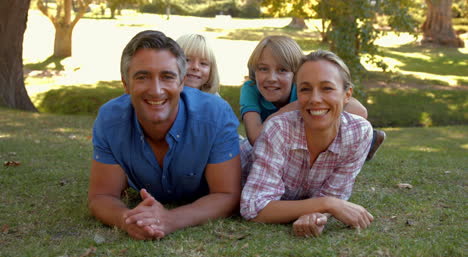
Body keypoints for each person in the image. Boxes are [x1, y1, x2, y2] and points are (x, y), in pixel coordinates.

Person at [87, 30, 241, 240]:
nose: (156, 90)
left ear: (181, 82)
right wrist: (128, 219)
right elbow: (101, 196)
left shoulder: (215, 115)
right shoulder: (109, 120)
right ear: (125, 84)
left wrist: (171, 219)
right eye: (143, 77)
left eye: (167, 77)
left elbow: (227, 195)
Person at [240, 50, 374, 238]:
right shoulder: (278, 129)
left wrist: (315, 216)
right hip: (235, 165)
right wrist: (328, 205)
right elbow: (253, 208)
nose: (315, 99)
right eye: (305, 89)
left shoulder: (359, 133)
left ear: (347, 95)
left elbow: (332, 195)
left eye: (327, 88)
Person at [239, 35, 385, 160]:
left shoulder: (305, 89)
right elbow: (255, 138)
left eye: (282, 70)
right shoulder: (251, 89)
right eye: (263, 69)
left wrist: (304, 103)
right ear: (254, 70)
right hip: (282, 146)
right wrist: (291, 109)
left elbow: (360, 111)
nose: (271, 78)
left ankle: (367, 143)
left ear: (297, 74)